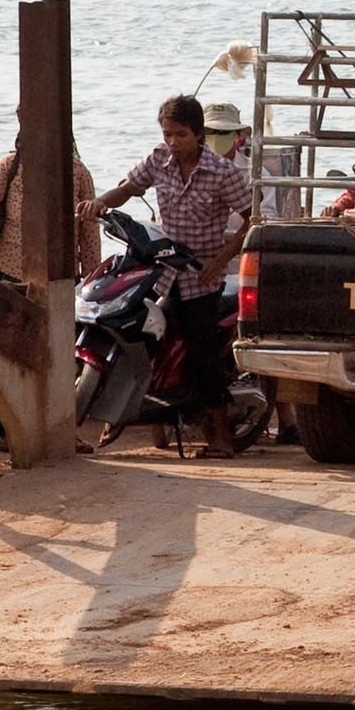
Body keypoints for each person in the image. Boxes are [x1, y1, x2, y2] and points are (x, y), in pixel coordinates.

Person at [95, 96, 254, 452]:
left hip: (201, 277)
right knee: (132, 330)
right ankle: (132, 418)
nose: (173, 142)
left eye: (181, 135)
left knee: (202, 354)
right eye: (168, 134)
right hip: (162, 269)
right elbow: (128, 189)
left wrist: (220, 260)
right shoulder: (158, 160)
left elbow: (251, 218)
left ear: (198, 134)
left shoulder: (221, 172)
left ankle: (221, 439)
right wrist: (99, 203)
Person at [0, 140, 99, 283]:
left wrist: (91, 278)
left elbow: (89, 226)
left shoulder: (78, 171)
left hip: (62, 274)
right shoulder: (9, 165)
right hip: (10, 270)